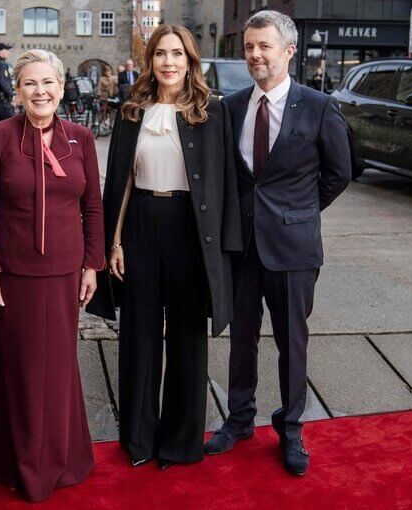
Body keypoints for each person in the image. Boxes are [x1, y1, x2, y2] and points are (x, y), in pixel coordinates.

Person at [88, 24, 242, 470]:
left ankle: (180, 442)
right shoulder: (132, 111)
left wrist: (225, 253)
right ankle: (138, 439)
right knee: (138, 335)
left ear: (190, 61)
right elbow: (120, 182)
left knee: (186, 338)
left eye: (177, 54)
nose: (169, 62)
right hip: (139, 226)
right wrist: (113, 243)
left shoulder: (212, 112)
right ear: (149, 60)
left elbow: (228, 183)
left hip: (192, 232)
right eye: (160, 54)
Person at [203, 10, 350, 476]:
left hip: (293, 248)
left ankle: (290, 429)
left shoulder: (319, 106)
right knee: (241, 337)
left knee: (292, 341)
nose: (254, 55)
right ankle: (239, 419)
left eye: (264, 46)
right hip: (241, 246)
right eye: (248, 47)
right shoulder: (230, 107)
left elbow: (339, 174)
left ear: (288, 51)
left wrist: (299, 214)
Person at [0, 49, 105, 502]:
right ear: (17, 90)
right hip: (12, 275)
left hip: (66, 272)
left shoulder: (82, 138)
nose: (40, 91)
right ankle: (17, 462)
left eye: (48, 82)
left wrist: (93, 264)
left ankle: (63, 458)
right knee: (20, 368)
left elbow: (93, 207)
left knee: (59, 366)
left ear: (62, 87)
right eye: (30, 83)